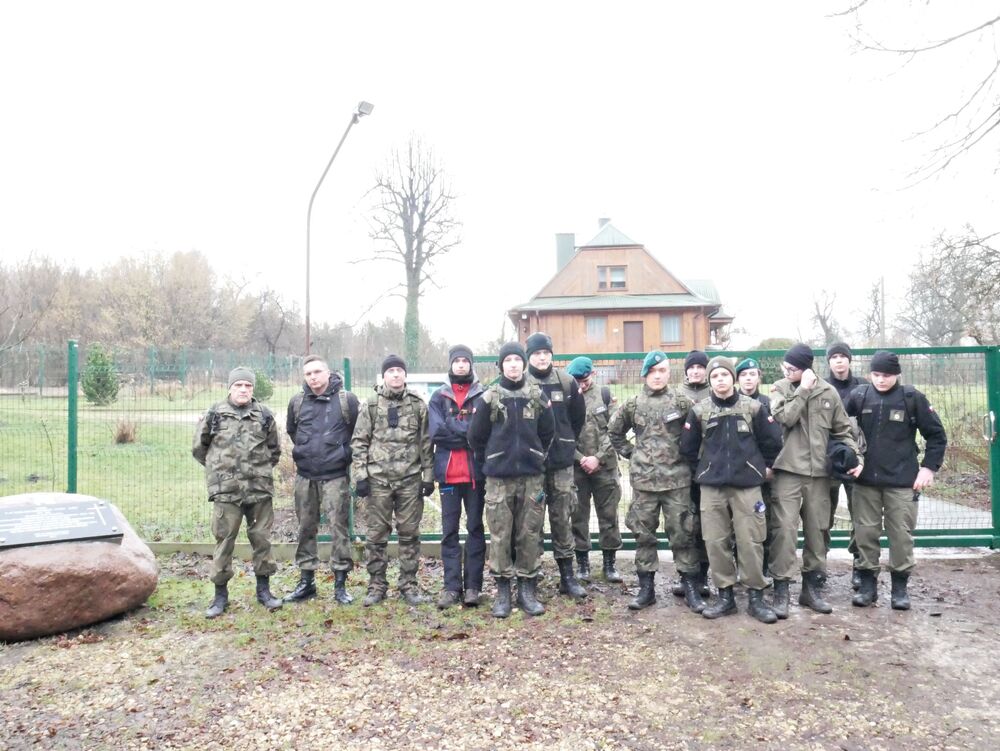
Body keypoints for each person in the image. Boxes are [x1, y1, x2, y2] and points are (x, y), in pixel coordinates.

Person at [680, 357, 783, 623]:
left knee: (751, 542)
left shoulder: (754, 407)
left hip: (747, 487)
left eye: (725, 375)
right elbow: (688, 448)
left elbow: (772, 441)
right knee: (715, 542)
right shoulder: (700, 410)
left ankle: (755, 597)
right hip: (712, 488)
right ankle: (725, 596)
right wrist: (703, 472)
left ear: (732, 379)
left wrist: (765, 468)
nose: (720, 380)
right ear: (710, 380)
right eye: (715, 376)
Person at [845, 350, 947, 610]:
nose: (881, 380)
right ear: (870, 374)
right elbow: (840, 431)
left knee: (900, 535)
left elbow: (936, 435)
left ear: (897, 375)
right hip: (865, 481)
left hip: (902, 481)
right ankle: (867, 585)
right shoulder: (858, 397)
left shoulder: (912, 398)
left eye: (887, 375)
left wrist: (928, 468)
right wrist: (847, 461)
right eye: (876, 374)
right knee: (865, 532)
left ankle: (900, 588)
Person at [608, 350, 704, 613]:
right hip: (645, 484)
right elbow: (614, 431)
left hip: (677, 482)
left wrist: (687, 458)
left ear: (669, 373)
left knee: (683, 534)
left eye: (662, 371)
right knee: (644, 536)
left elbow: (696, 433)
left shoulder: (682, 403)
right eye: (653, 371)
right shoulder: (633, 404)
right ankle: (646, 589)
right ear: (645, 374)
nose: (658, 376)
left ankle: (690, 588)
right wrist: (632, 453)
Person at [769, 343, 859, 616]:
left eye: (793, 368)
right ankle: (781, 589)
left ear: (806, 367)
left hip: (820, 474)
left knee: (818, 531)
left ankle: (811, 588)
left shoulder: (829, 392)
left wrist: (854, 455)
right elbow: (785, 417)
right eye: (786, 367)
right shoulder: (781, 388)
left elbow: (844, 430)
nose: (787, 371)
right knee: (784, 529)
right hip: (788, 471)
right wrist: (803, 389)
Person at [468, 342, 555, 618]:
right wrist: (493, 460)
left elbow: (548, 432)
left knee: (529, 533)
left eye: (518, 359)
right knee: (501, 534)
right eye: (509, 360)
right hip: (498, 479)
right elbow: (475, 437)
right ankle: (503, 592)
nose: (514, 364)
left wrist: (534, 455)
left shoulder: (537, 395)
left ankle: (527, 589)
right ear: (501, 365)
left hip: (531, 477)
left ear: (524, 364)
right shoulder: (489, 397)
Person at [192, 367, 282, 618]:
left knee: (261, 539)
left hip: (258, 490)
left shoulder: (264, 415)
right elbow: (200, 449)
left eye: (248, 386)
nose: (243, 390)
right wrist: (221, 471)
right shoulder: (215, 414)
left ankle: (264, 591)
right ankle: (220, 596)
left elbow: (274, 451)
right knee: (224, 540)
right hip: (227, 491)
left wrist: (257, 470)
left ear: (253, 389)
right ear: (230, 388)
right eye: (239, 385)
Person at [350, 354, 434, 607]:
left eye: (400, 370)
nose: (396, 375)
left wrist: (428, 477)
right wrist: (360, 476)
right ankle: (377, 584)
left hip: (409, 481)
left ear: (405, 375)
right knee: (376, 535)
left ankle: (408, 584)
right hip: (378, 481)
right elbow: (359, 441)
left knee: (409, 534)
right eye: (391, 371)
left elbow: (426, 443)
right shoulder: (371, 404)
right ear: (383, 376)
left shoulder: (418, 405)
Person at [283, 355, 360, 605]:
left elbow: (356, 433)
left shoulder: (346, 401)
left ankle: (340, 584)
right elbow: (293, 431)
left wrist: (342, 455)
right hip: (306, 476)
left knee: (339, 529)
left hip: (335, 476)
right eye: (308, 374)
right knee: (306, 528)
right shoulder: (297, 402)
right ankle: (307, 582)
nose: (313, 377)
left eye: (317, 372)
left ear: (328, 372)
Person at [524, 332, 588, 600]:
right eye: (537, 353)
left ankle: (568, 577)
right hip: (531, 464)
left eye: (546, 353)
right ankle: (532, 576)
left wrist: (565, 442)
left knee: (562, 517)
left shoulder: (566, 382)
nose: (541, 357)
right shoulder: (522, 383)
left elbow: (577, 419)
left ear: (551, 355)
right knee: (532, 520)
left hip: (561, 463)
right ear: (529, 357)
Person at [429, 344, 487, 609]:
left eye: (465, 360)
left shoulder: (482, 395)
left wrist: (457, 428)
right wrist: (466, 432)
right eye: (457, 361)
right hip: (449, 477)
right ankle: (451, 588)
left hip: (476, 475)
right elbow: (437, 432)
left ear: (471, 364)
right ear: (450, 364)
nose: (461, 365)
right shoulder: (438, 397)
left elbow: (482, 432)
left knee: (475, 529)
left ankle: (473, 587)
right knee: (449, 532)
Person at [567, 356, 623, 583]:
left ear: (594, 374)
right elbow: (562, 433)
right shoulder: (568, 397)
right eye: (577, 380)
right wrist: (581, 459)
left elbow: (615, 430)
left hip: (605, 468)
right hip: (577, 468)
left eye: (585, 379)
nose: (581, 384)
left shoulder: (606, 396)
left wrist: (598, 458)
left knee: (609, 516)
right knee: (578, 516)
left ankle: (609, 564)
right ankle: (582, 564)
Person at [824, 341, 864, 589]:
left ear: (850, 360)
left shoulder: (863, 387)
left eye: (843, 356)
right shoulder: (821, 387)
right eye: (834, 357)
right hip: (826, 461)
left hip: (855, 461)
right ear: (828, 361)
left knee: (860, 515)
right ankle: (818, 567)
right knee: (821, 519)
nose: (839, 361)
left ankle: (860, 566)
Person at [736, 357, 775, 573]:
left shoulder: (768, 403)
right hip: (739, 473)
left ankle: (763, 566)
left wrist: (770, 466)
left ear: (759, 377)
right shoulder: (731, 402)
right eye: (743, 375)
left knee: (763, 519)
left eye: (752, 374)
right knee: (738, 523)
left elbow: (775, 439)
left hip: (763, 474)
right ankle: (741, 566)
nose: (748, 379)